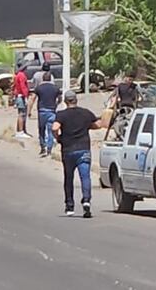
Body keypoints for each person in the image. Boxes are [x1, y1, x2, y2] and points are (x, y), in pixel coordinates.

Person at [52, 90, 101, 218]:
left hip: (68, 150)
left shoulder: (61, 115)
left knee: (69, 178)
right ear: (76, 100)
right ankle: (86, 201)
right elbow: (98, 124)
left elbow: (54, 128)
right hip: (84, 149)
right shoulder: (85, 113)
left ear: (65, 101)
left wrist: (58, 138)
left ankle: (69, 206)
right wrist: (87, 126)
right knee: (85, 177)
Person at [30, 71, 61, 157]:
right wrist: (56, 104)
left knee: (41, 130)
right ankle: (49, 148)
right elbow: (60, 98)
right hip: (52, 111)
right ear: (50, 78)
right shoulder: (55, 88)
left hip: (42, 111)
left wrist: (29, 110)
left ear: (43, 78)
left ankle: (43, 146)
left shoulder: (39, 88)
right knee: (51, 131)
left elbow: (33, 98)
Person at [12, 63, 31, 139]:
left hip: (19, 96)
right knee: (22, 114)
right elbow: (23, 86)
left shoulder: (18, 75)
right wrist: (26, 96)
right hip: (21, 96)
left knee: (21, 114)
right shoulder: (22, 75)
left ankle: (20, 130)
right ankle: (20, 131)